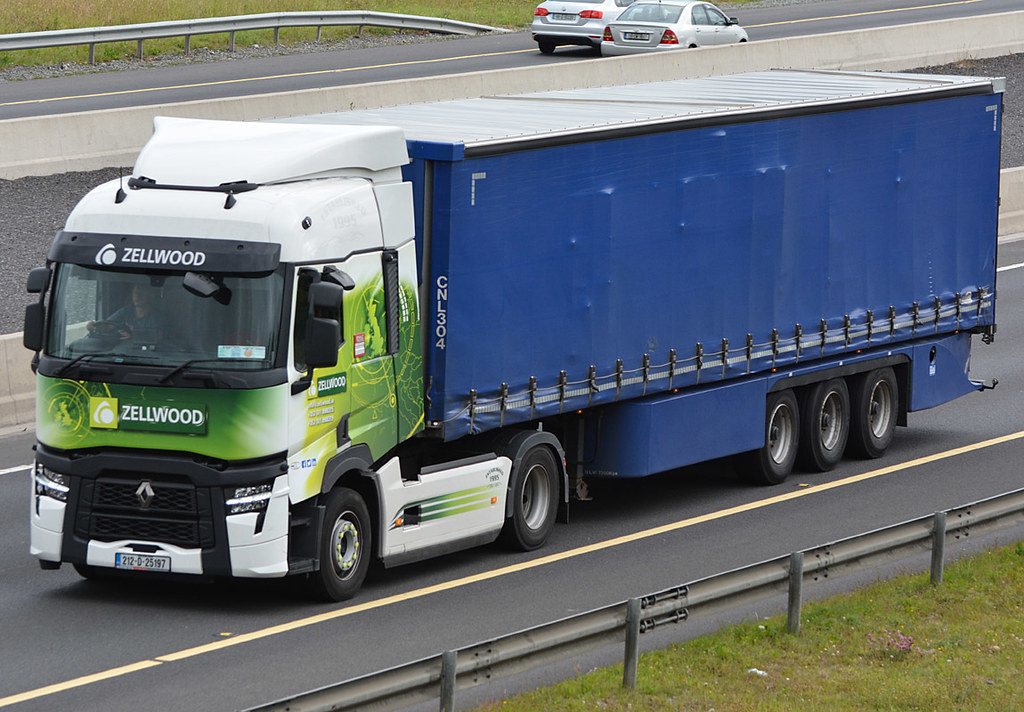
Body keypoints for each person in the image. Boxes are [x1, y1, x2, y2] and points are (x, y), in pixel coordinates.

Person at [87, 283, 167, 341]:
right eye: (135, 293)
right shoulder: (125, 311)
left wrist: (135, 333)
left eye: (141, 293)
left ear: (150, 295)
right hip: (123, 352)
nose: (137, 296)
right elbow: (109, 325)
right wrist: (95, 326)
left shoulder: (157, 316)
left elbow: (159, 336)